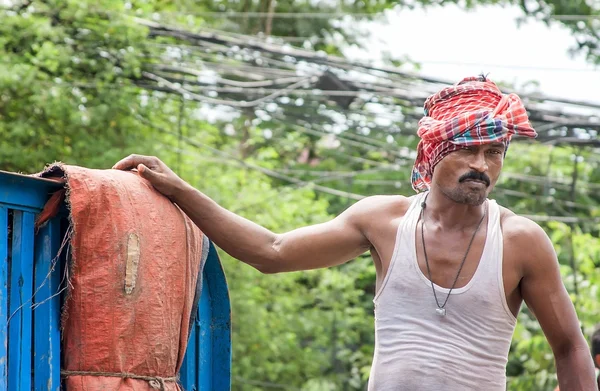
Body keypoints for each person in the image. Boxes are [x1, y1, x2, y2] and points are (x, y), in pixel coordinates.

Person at [113, 76, 597, 390]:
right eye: (467, 150)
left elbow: (571, 348)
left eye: (494, 153)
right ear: (432, 154)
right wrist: (179, 190)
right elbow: (272, 251)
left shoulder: (521, 240)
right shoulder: (382, 222)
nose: (481, 165)